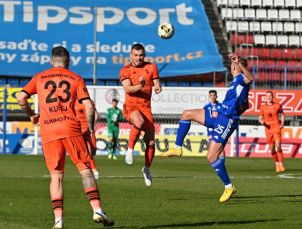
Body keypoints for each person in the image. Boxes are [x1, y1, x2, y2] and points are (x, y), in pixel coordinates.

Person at [17, 46, 113, 228]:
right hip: (70, 127)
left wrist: (30, 114)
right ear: (68, 62)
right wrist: (91, 129)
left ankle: (58, 220)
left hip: (49, 130)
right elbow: (90, 107)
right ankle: (97, 209)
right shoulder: (75, 78)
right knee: (85, 169)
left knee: (56, 176)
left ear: (51, 61)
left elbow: (21, 97)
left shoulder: (39, 77)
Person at [161, 54, 253, 203]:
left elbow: (250, 78)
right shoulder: (236, 83)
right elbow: (246, 105)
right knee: (186, 114)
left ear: (235, 66)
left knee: (211, 157)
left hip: (226, 120)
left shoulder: (242, 79)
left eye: (232, 63)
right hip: (220, 114)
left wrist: (241, 66)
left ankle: (229, 187)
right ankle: (177, 148)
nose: (231, 65)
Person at [120, 43, 162, 187]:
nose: (138, 58)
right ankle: (130, 151)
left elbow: (156, 81)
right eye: (135, 55)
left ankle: (147, 169)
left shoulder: (151, 67)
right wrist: (140, 85)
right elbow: (128, 89)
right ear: (131, 55)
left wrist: (157, 87)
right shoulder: (125, 70)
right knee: (137, 121)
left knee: (150, 143)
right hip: (131, 107)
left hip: (146, 108)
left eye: (141, 55)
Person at [259, 91, 285, 173]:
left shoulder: (278, 105)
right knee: (272, 149)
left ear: (272, 96)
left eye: (270, 95)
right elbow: (260, 117)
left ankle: (281, 164)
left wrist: (282, 123)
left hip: (276, 127)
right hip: (268, 129)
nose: (269, 97)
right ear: (265, 97)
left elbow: (282, 114)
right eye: (267, 96)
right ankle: (277, 164)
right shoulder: (263, 107)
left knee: (278, 145)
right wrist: (261, 121)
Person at [74, 99, 100, 179]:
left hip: (90, 129)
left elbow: (95, 114)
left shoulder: (89, 102)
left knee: (93, 151)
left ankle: (91, 169)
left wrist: (93, 125)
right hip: (80, 130)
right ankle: (93, 170)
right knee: (86, 151)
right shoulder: (73, 102)